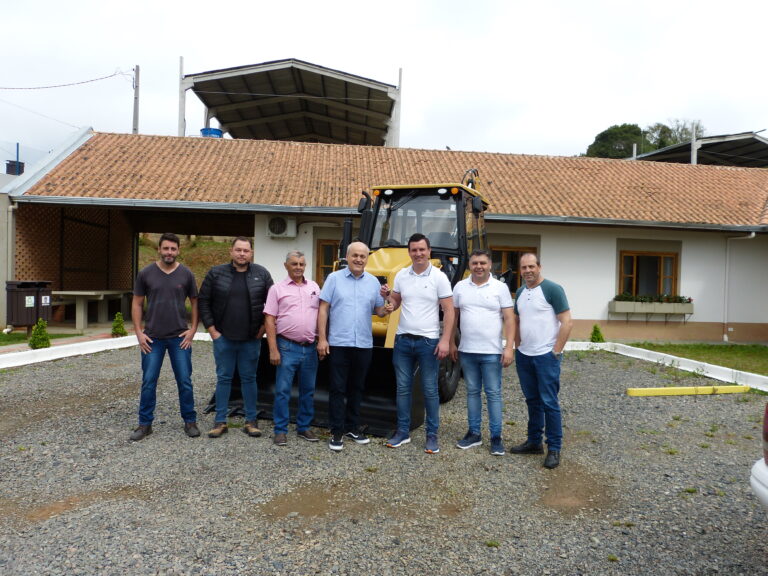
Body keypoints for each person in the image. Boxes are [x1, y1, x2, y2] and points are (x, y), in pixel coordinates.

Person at [383, 233, 455, 454]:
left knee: (430, 390)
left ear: (429, 251)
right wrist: (388, 299)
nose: (418, 253)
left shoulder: (439, 277)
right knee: (403, 388)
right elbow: (395, 301)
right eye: (414, 250)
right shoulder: (402, 275)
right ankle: (403, 432)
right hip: (403, 339)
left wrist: (445, 340)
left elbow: (449, 310)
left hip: (428, 341)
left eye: (422, 249)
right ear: (409, 252)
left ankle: (432, 436)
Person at [198, 237, 273, 439]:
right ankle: (220, 421)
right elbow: (203, 301)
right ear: (231, 251)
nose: (242, 254)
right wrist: (212, 330)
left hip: (251, 338)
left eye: (246, 250)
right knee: (224, 378)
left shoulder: (262, 274)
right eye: (238, 250)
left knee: (249, 379)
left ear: (251, 253)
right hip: (224, 338)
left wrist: (262, 330)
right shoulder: (216, 273)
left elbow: (272, 305)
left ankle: (251, 421)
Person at [317, 241, 388, 451]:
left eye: (362, 256)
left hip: (364, 344)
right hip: (339, 342)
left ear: (367, 259)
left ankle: (353, 427)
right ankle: (336, 431)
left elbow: (380, 311)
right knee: (338, 388)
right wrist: (322, 338)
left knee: (357, 388)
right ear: (346, 257)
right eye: (354, 255)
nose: (358, 259)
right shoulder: (334, 279)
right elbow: (323, 310)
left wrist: (388, 305)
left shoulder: (373, 282)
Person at [130, 232, 199, 441]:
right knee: (149, 381)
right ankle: (145, 424)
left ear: (178, 251)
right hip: (152, 339)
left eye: (173, 249)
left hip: (180, 338)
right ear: (159, 249)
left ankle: (190, 421)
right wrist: (139, 333)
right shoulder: (146, 274)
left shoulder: (186, 274)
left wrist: (193, 329)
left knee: (185, 381)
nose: (169, 252)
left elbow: (196, 302)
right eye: (166, 248)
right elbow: (137, 303)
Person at [510, 253, 573, 469]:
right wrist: (518, 347)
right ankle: (534, 442)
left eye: (531, 266)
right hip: (525, 356)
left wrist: (555, 352)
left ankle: (554, 448)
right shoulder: (520, 292)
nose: (528, 271)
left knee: (549, 402)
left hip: (546, 356)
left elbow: (567, 322)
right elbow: (517, 320)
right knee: (532, 401)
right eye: (524, 267)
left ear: (539, 267)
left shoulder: (553, 289)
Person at [450, 249, 515, 456]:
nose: (479, 266)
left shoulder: (500, 288)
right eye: (475, 263)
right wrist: (451, 342)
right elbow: (454, 317)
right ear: (470, 265)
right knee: (472, 392)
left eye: (483, 263)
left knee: (494, 394)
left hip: (492, 352)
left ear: (490, 265)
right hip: (467, 351)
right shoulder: (460, 287)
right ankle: (474, 433)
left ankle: (496, 437)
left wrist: (508, 347)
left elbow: (510, 319)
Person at [264, 251, 321, 446]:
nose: (298, 267)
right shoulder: (277, 289)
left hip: (310, 348)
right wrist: (273, 349)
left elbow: (321, 315)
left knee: (308, 390)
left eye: (302, 264)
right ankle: (280, 430)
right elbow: (270, 320)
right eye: (294, 264)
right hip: (287, 346)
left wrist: (323, 339)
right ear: (286, 266)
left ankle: (304, 427)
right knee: (283, 390)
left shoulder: (314, 287)